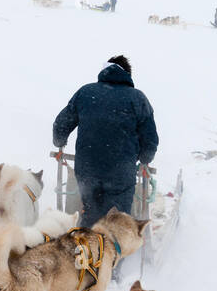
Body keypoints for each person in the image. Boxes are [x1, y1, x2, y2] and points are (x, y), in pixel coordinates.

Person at [52, 55, 158, 230]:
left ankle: (85, 248)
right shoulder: (137, 99)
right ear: (128, 74)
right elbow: (150, 141)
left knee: (91, 212)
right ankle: (113, 251)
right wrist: (144, 159)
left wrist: (59, 141)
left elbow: (60, 125)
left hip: (87, 170)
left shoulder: (85, 93)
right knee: (117, 221)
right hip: (120, 173)